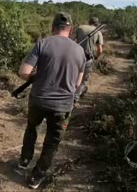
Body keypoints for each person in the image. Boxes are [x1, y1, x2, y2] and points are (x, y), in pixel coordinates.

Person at [16, 12, 86, 189]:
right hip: (63, 106)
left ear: (52, 28)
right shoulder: (80, 51)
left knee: (32, 128)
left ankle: (24, 160)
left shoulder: (43, 43)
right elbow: (78, 83)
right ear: (70, 30)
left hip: (38, 100)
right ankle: (36, 177)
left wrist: (39, 75)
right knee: (52, 142)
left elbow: (24, 72)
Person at [74, 17, 104, 102]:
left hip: (75, 56)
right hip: (87, 58)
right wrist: (97, 57)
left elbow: (73, 41)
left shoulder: (80, 28)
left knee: (73, 77)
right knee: (84, 80)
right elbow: (100, 50)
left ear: (89, 22)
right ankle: (75, 98)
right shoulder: (98, 32)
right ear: (96, 24)